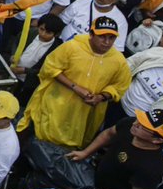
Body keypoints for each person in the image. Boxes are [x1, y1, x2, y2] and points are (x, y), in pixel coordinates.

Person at [17, 17, 132, 150]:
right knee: (40, 139)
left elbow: (120, 85)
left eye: (111, 38)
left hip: (83, 114)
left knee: (69, 148)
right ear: (91, 34)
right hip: (55, 104)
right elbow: (50, 67)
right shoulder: (71, 47)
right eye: (102, 37)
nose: (107, 42)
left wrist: (101, 97)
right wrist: (75, 88)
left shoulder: (119, 61)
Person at [60, 0, 129, 48]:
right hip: (62, 44)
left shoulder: (120, 21)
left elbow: (116, 48)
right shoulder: (81, 2)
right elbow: (62, 21)